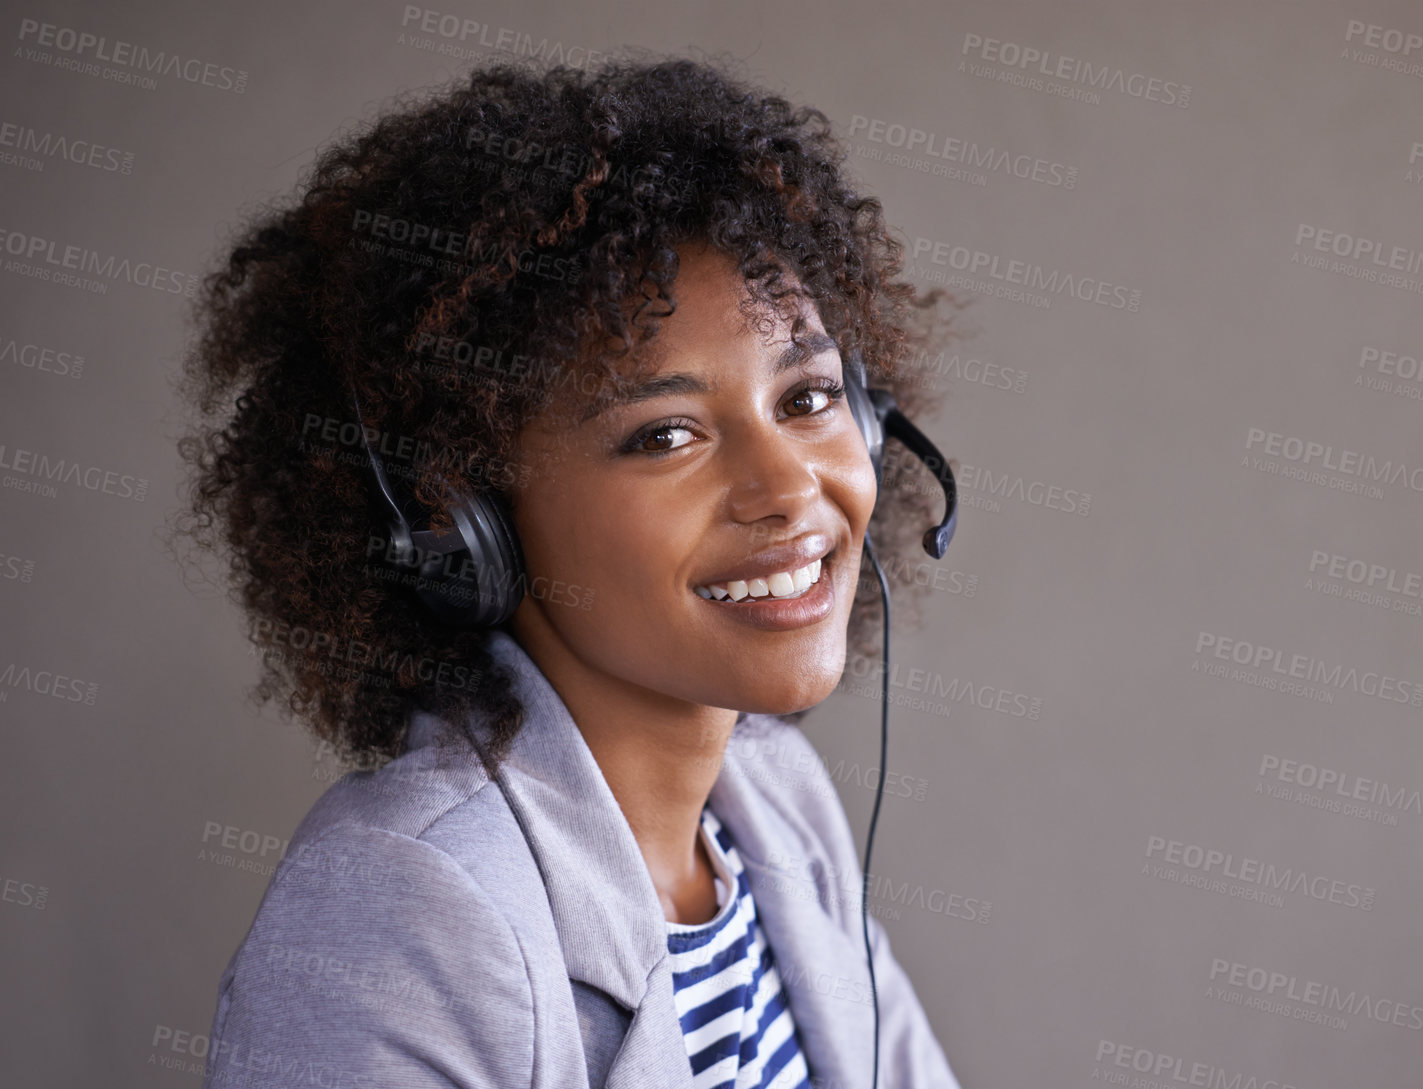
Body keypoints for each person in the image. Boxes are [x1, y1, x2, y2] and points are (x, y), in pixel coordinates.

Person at [175, 51, 962, 1089]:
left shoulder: (775, 802)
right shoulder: (407, 911)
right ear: (464, 521)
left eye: (808, 398)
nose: (787, 486)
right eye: (665, 434)